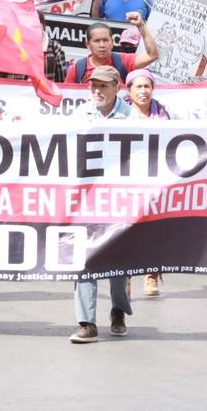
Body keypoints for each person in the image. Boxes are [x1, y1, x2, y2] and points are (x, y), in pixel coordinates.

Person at [69, 65, 134, 343]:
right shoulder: (80, 114)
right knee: (84, 260)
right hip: (87, 199)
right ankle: (86, 323)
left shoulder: (132, 118)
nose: (97, 90)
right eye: (93, 85)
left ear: (116, 88)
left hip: (119, 200)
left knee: (118, 265)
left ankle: (118, 309)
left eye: (103, 86)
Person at [125, 68, 170, 297]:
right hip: (128, 180)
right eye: (138, 86)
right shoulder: (120, 114)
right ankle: (126, 275)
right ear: (129, 90)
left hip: (155, 179)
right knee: (128, 230)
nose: (143, 91)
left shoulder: (163, 114)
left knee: (155, 229)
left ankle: (152, 274)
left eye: (147, 86)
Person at [64, 17, 159, 84]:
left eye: (105, 40)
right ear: (88, 44)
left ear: (112, 42)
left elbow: (152, 55)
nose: (102, 45)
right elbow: (67, 96)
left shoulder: (123, 61)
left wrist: (141, 26)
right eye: (97, 41)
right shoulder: (77, 69)